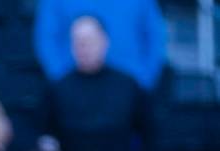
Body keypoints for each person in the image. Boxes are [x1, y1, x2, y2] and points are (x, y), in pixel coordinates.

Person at [42, 16, 151, 151]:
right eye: (78, 42)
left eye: (89, 41)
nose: (83, 47)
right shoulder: (58, 88)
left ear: (104, 42)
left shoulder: (127, 85)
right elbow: (45, 135)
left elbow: (149, 134)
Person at [34, 0, 165, 91]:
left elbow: (155, 37)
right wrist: (63, 86)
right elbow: (48, 40)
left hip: (130, 90)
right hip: (76, 91)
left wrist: (144, 81)